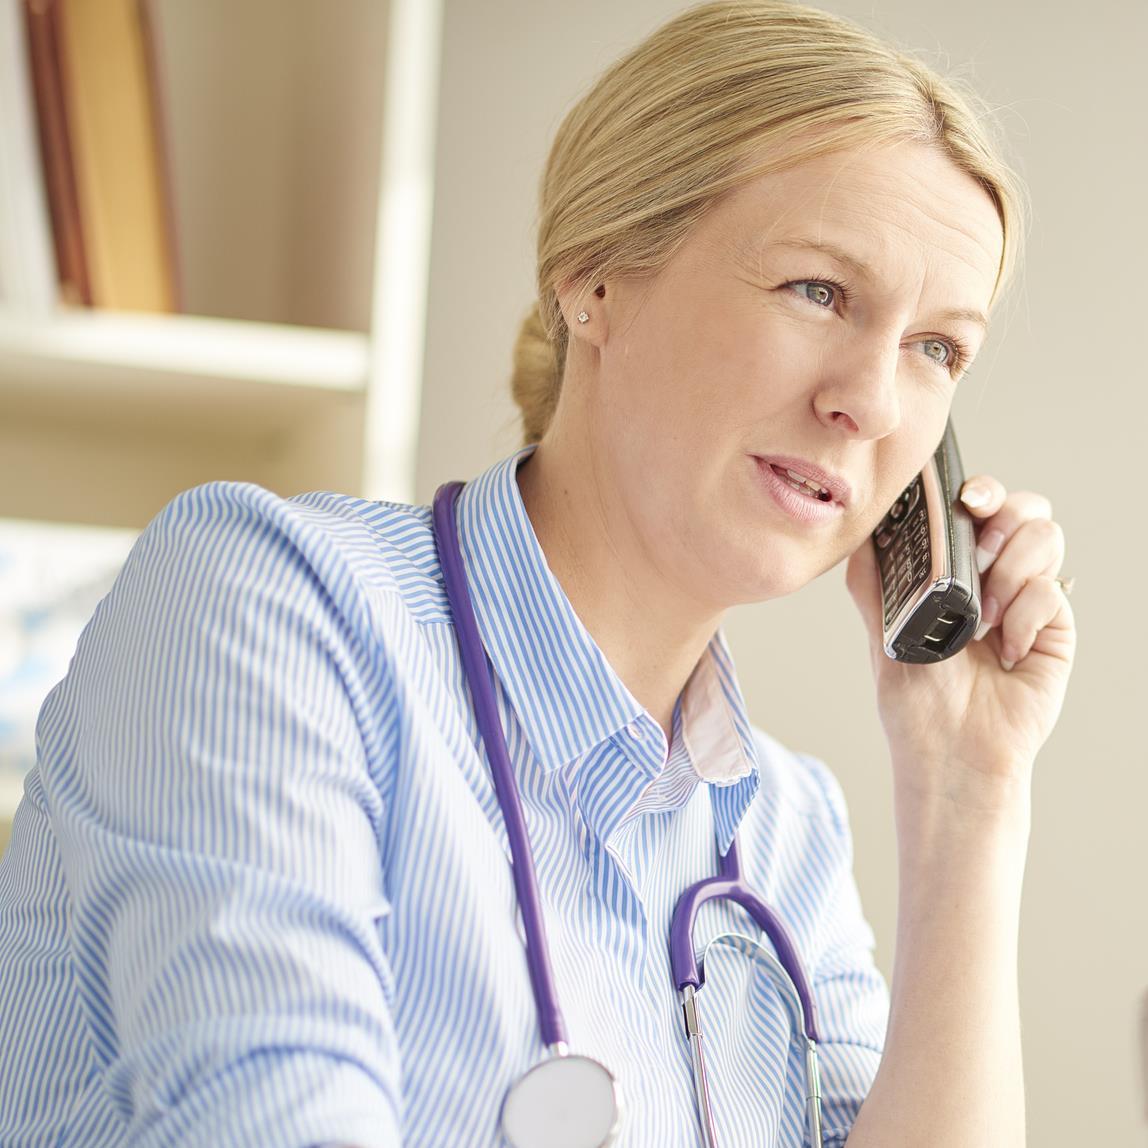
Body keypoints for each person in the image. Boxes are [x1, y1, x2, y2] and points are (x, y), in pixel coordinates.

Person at [0, 1, 1076, 1144]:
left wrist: (966, 793)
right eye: (817, 290)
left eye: (935, 349)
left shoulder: (781, 829)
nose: (867, 400)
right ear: (595, 276)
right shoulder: (268, 610)